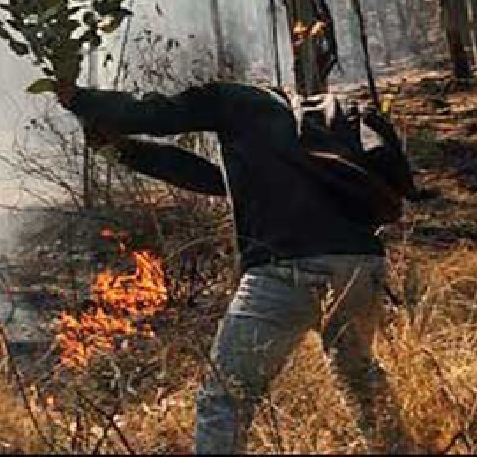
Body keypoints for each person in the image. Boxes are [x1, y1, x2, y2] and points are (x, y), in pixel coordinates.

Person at [54, 78, 427, 454]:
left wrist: (80, 99)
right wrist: (122, 151)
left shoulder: (229, 97)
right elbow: (210, 178)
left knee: (226, 398)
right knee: (360, 381)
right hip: (363, 265)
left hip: (286, 269)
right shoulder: (314, 125)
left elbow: (152, 114)